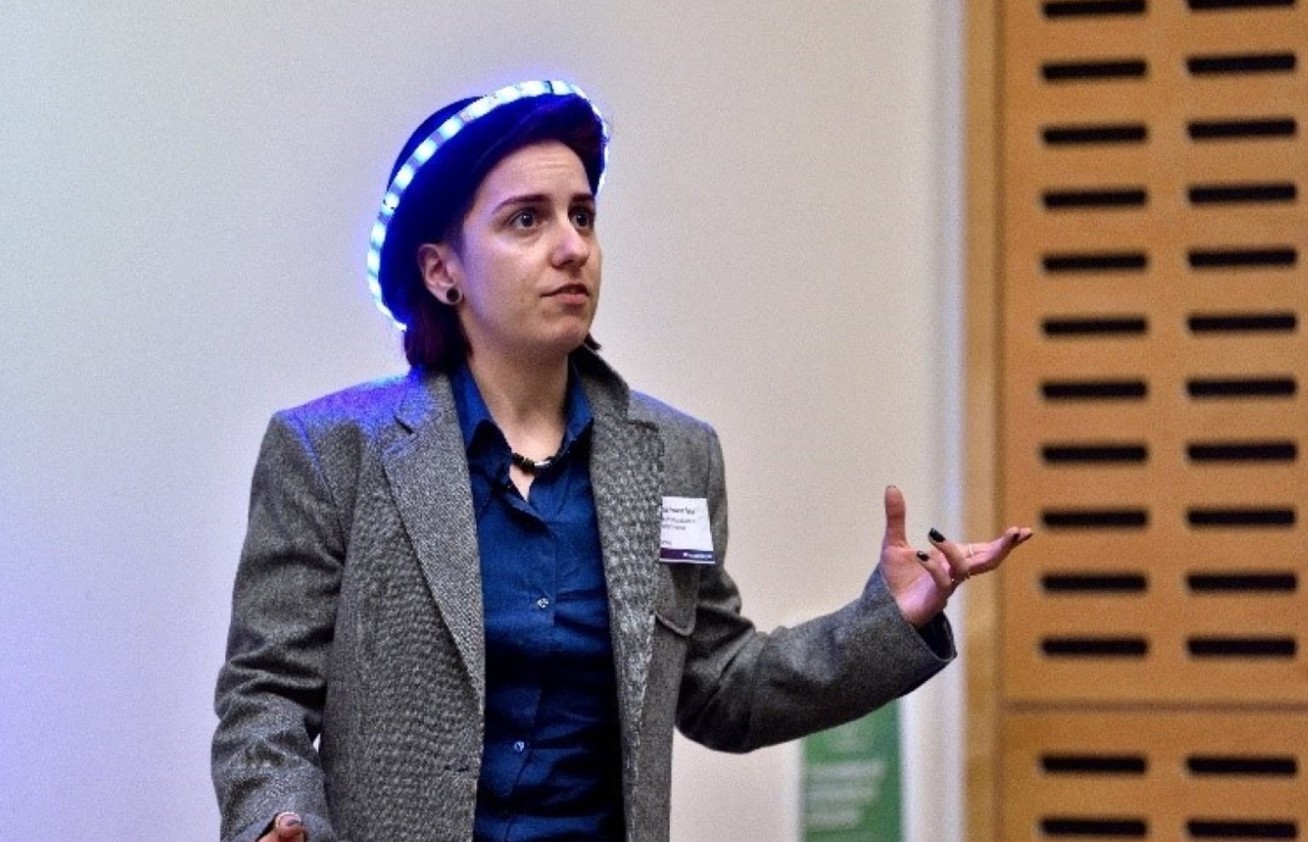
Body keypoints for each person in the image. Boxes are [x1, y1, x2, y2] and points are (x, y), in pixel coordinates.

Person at [212, 80, 1032, 842]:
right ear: (442, 270)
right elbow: (266, 695)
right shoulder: (330, 453)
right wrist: (278, 816)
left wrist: (891, 621)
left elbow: (719, 685)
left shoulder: (675, 459)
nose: (571, 247)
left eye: (583, 215)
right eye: (526, 220)